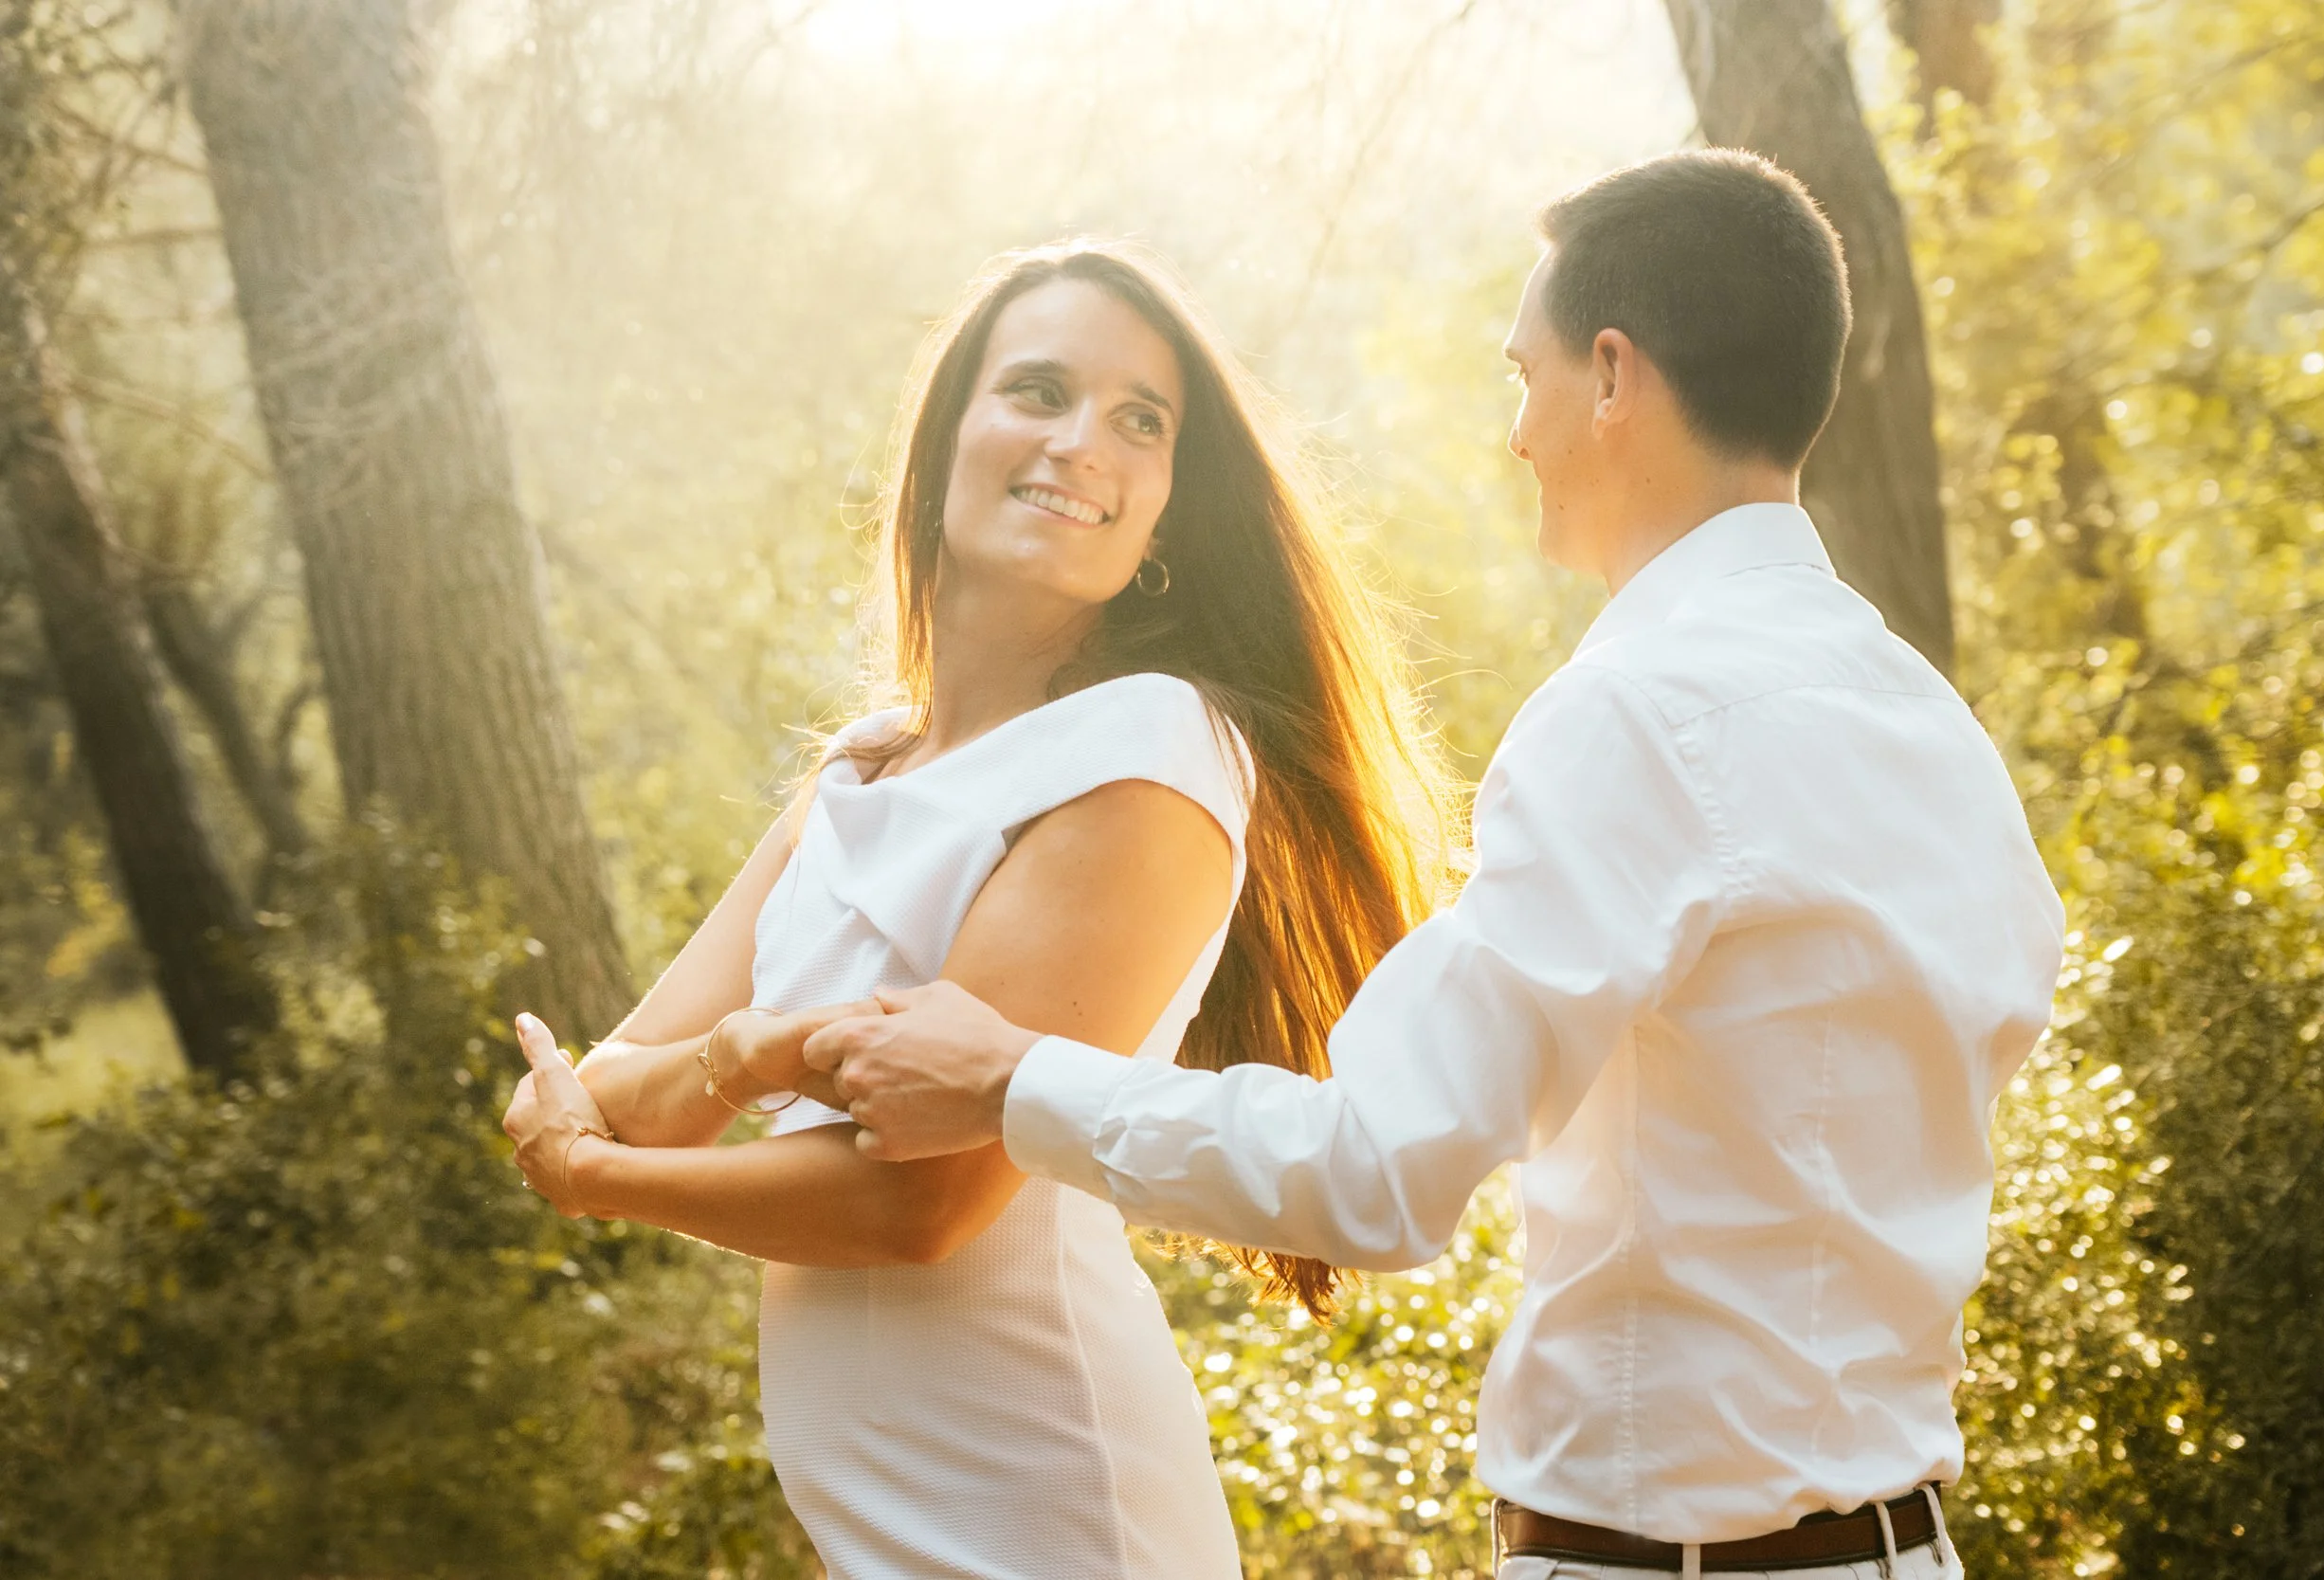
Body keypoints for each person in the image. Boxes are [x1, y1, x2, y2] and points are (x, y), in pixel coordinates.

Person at [799, 151, 2066, 1578]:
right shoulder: (1935, 732)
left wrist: (1007, 1075)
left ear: (1609, 376)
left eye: (1518, 374)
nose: (1515, 429)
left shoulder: (1638, 715)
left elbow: (1375, 1176)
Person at [499, 242, 1454, 1579]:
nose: (1081, 443)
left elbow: (920, 1201)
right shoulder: (863, 770)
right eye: (1040, 390)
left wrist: (605, 1178)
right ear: (948, 432)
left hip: (1050, 1509)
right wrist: (744, 1056)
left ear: (1168, 510)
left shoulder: (1153, 748)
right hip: (888, 1523)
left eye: (1140, 420)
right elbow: (609, 1082)